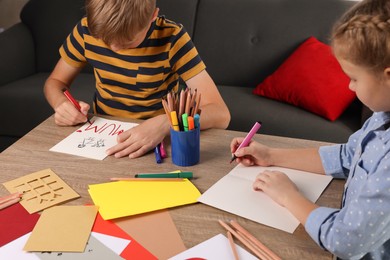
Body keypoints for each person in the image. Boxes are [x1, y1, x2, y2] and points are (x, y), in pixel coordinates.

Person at [230, 0, 390, 258]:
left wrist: (289, 197)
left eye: (354, 78)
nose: (349, 87)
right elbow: (348, 156)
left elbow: (345, 241)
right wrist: (270, 155)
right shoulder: (382, 116)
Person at [44, 0, 230, 159]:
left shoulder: (172, 39)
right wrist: (61, 104)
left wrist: (166, 123)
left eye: (127, 42)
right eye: (104, 40)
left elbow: (221, 114)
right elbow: (55, 83)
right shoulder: (85, 31)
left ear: (153, 17)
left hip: (158, 141)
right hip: (103, 136)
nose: (115, 48)